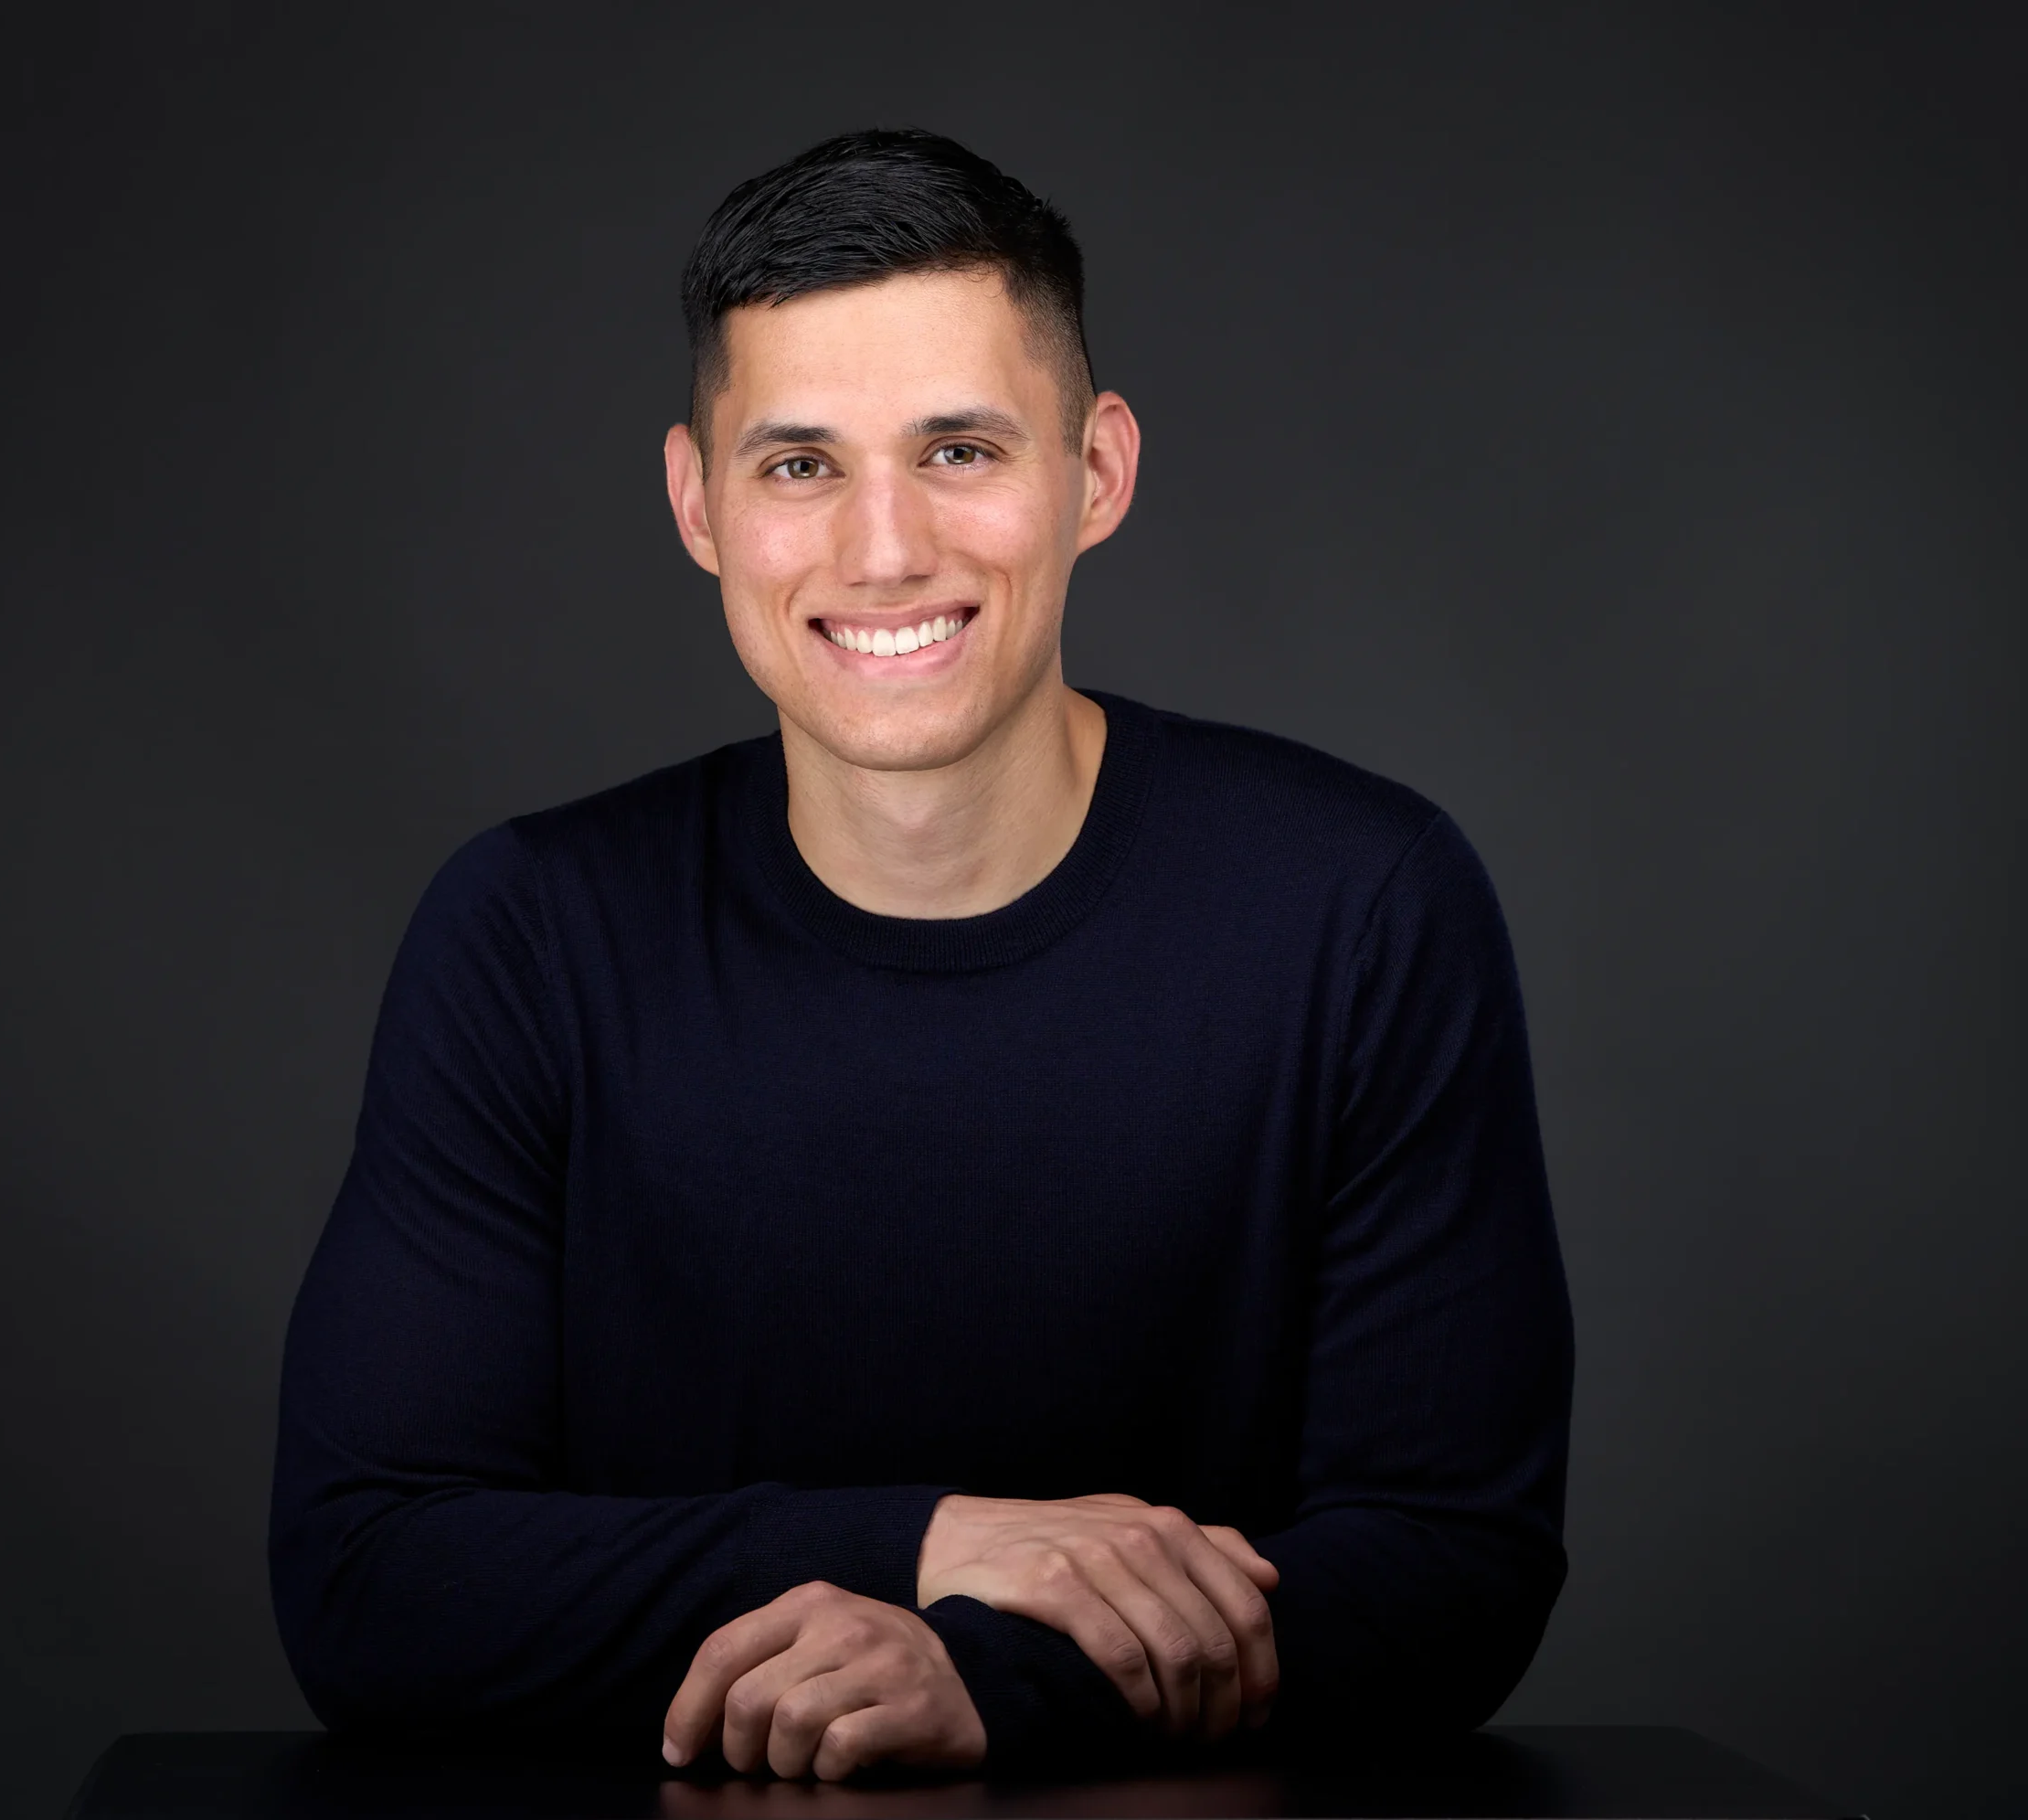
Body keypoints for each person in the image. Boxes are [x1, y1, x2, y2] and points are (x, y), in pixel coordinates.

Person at [269, 128, 1573, 1784]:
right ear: (698, 504)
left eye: (959, 449)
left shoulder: (1363, 902)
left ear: (1096, 473)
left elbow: (1453, 1565)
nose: (883, 549)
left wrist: (992, 1678)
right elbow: (369, 1581)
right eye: (800, 465)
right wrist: (932, 1539)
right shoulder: (530, 929)